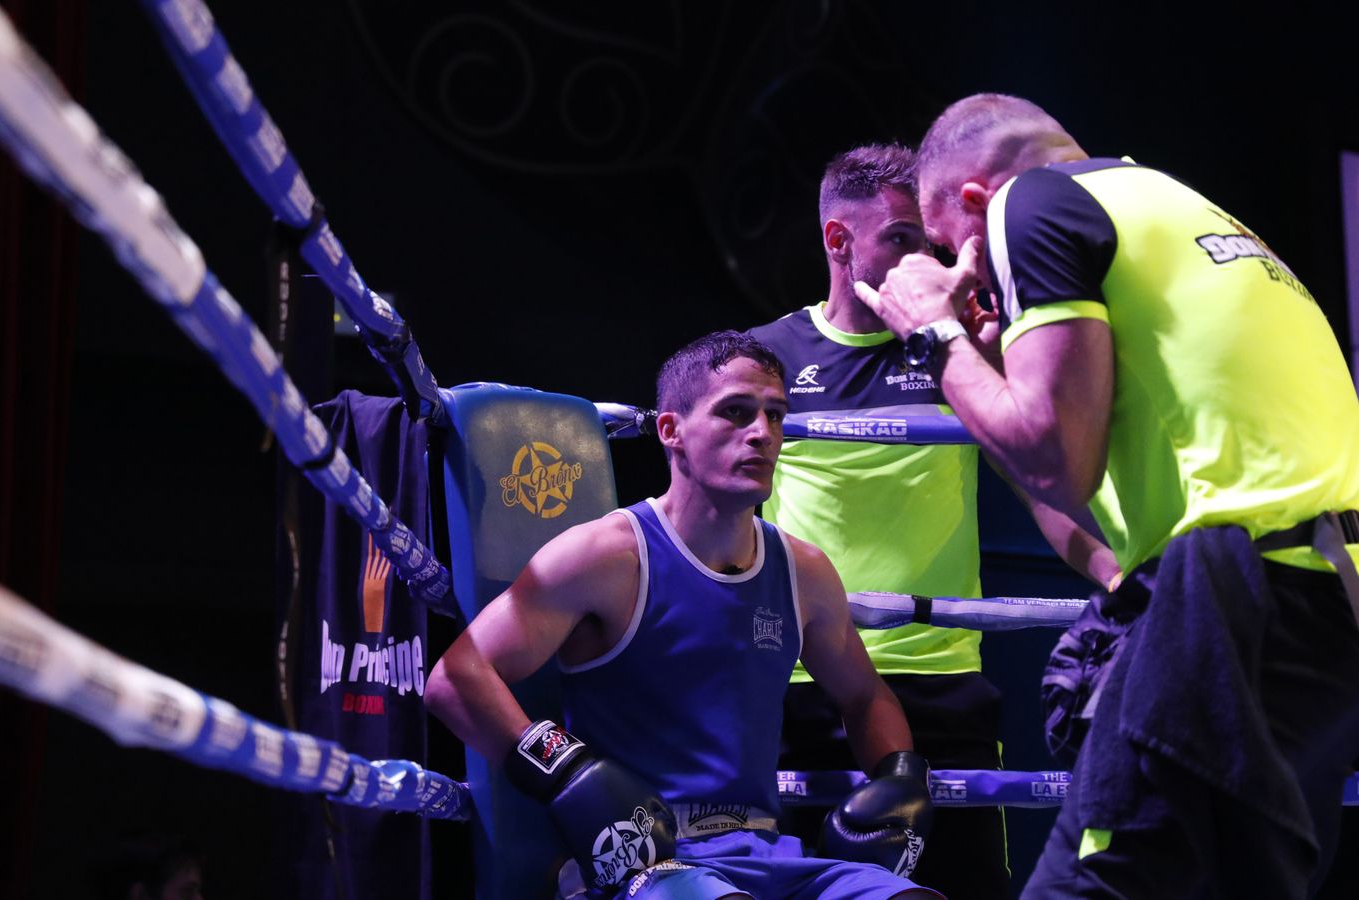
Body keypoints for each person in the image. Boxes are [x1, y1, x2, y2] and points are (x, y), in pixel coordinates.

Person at [858, 92, 1359, 897]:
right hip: (1325, 601)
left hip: (1240, 591)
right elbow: (1089, 510)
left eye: (954, 248)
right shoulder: (1181, 209)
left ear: (977, 199)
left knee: (1090, 884)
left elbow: (1056, 461)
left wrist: (933, 332)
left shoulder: (1032, 202)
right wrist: (992, 370)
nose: (966, 277)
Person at [425, 331, 941, 899]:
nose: (762, 433)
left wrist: (900, 777)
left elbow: (866, 696)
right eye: (736, 412)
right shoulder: (606, 557)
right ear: (672, 431)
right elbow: (456, 678)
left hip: (771, 855)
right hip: (648, 865)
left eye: (774, 415)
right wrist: (569, 773)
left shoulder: (804, 572)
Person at [747, 143, 1117, 899]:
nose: (922, 262)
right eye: (900, 239)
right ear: (838, 241)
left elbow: (1043, 487)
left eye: (930, 243)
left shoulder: (956, 354)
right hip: (807, 680)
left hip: (943, 680)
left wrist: (1122, 577)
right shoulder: (768, 360)